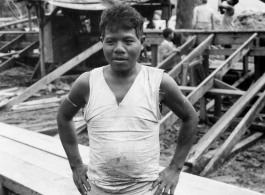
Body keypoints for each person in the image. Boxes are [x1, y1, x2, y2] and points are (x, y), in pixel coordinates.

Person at [57, 3, 198, 195]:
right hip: (97, 188)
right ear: (101, 42)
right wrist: (75, 165)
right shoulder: (87, 83)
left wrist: (175, 168)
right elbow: (64, 116)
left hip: (145, 189)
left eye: (128, 41)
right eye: (111, 41)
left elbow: (190, 117)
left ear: (142, 42)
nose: (119, 49)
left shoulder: (158, 82)